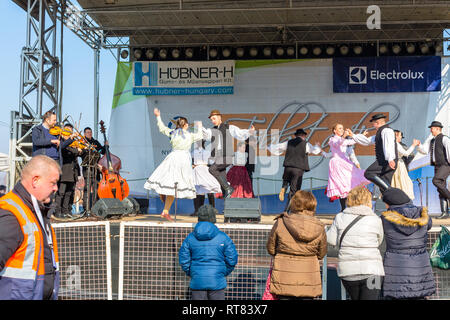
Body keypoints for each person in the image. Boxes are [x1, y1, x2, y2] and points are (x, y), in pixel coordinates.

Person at [0, 155, 61, 300]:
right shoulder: (10, 212)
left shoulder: (37, 211)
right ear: (35, 180)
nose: (56, 188)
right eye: (53, 183)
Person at [266, 190, 327, 299]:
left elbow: (271, 249)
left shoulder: (281, 222)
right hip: (308, 281)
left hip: (283, 280)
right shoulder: (319, 226)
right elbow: (321, 254)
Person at [144, 108, 203, 221]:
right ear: (185, 125)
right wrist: (199, 126)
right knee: (175, 184)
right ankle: (163, 198)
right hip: (183, 160)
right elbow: (199, 136)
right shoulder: (190, 135)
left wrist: (158, 116)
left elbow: (162, 128)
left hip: (173, 157)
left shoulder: (173, 133)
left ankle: (165, 211)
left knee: (171, 185)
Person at [326, 186, 384, 300]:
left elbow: (331, 239)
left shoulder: (340, 217)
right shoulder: (375, 219)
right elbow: (379, 241)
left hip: (348, 272)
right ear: (368, 200)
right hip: (373, 271)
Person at [380, 187, 436, 299]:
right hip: (420, 268)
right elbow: (428, 225)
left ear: (390, 203)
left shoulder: (385, 219)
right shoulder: (423, 215)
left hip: (396, 270)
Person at [178, 204, 238, 300]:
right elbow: (232, 259)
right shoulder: (223, 237)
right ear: (213, 218)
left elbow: (184, 260)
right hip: (217, 281)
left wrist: (192, 273)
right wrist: (222, 272)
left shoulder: (190, 238)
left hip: (197, 281)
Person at [202, 109, 255, 198]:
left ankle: (228, 188)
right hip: (218, 158)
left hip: (227, 156)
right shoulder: (212, 130)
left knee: (212, 169)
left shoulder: (228, 127)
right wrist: (199, 128)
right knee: (223, 184)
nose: (212, 121)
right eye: (211, 119)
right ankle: (227, 201)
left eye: (214, 119)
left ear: (219, 117)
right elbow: (206, 134)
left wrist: (249, 131)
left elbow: (239, 133)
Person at [268, 128, 321, 211]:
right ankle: (288, 210)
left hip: (288, 167)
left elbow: (277, 147)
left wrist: (269, 147)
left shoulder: (289, 142)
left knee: (286, 180)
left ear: (296, 135)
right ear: (303, 136)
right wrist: (317, 146)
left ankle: (284, 187)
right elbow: (315, 151)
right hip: (298, 169)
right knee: (294, 191)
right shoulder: (306, 144)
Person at [322, 124, 370, 210]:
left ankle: (347, 207)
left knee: (348, 184)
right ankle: (343, 208)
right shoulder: (332, 139)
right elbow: (337, 144)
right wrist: (344, 136)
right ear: (334, 131)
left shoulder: (342, 140)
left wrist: (361, 135)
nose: (342, 130)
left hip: (344, 163)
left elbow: (352, 142)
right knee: (341, 185)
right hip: (337, 164)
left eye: (342, 128)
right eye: (339, 128)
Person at [347, 113, 397, 193]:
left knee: (369, 173)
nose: (373, 126)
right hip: (386, 161)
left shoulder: (386, 131)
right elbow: (367, 141)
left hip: (386, 161)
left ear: (377, 123)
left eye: (373, 123)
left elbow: (389, 145)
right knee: (384, 186)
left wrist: (390, 159)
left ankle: (390, 190)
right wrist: (353, 135)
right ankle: (390, 195)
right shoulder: (380, 133)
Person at [416, 121, 450, 219]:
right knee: (440, 188)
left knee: (436, 181)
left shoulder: (444, 138)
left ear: (438, 129)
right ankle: (444, 212)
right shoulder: (432, 140)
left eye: (432, 128)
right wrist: (419, 145)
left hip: (445, 164)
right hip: (437, 165)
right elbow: (425, 151)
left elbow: (449, 151)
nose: (431, 130)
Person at [53, 123, 81, 218]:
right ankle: (58, 211)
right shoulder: (61, 141)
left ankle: (66, 211)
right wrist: (75, 150)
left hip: (73, 171)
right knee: (61, 192)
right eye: (67, 130)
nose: (68, 133)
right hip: (64, 171)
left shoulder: (72, 142)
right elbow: (66, 150)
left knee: (69, 192)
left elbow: (76, 152)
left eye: (70, 131)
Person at [191, 140, 221, 216]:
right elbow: (211, 162)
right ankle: (210, 209)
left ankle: (198, 210)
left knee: (198, 190)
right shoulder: (205, 152)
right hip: (203, 169)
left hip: (199, 170)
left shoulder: (194, 152)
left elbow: (191, 161)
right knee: (206, 188)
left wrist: (194, 165)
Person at [80, 126, 106, 212]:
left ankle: (96, 208)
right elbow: (80, 153)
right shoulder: (82, 142)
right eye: (87, 132)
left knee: (97, 189)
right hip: (87, 169)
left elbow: (103, 152)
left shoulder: (95, 142)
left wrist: (106, 146)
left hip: (96, 169)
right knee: (87, 189)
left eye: (90, 132)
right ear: (84, 134)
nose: (89, 134)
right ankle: (86, 209)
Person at [391, 130, 419, 200]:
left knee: (400, 182)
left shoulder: (392, 144)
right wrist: (413, 145)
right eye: (400, 135)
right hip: (399, 165)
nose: (401, 137)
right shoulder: (396, 144)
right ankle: (403, 198)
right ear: (396, 136)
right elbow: (406, 153)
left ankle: (399, 198)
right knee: (403, 182)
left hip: (398, 164)